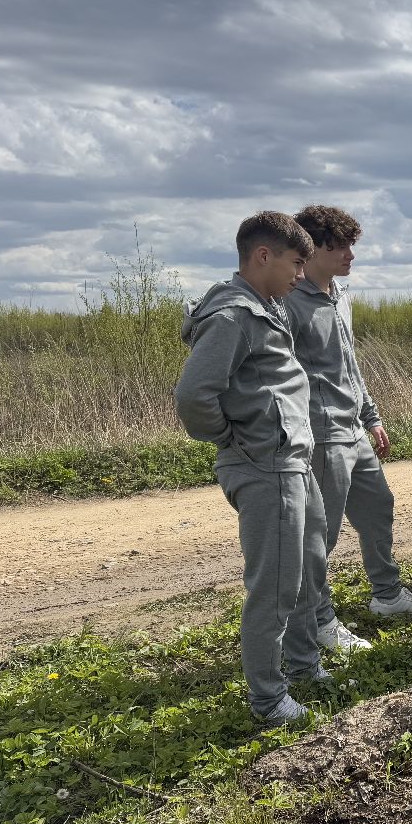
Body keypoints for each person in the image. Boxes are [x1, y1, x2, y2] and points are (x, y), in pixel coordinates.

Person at [175, 211, 327, 725]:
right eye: (296, 261)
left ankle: (306, 666)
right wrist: (235, 438)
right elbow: (195, 395)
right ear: (263, 255)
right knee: (277, 585)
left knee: (308, 570)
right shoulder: (233, 316)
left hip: (293, 462)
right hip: (266, 465)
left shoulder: (267, 308)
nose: (301, 274)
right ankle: (268, 699)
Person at [286, 206, 412, 655]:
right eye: (341, 246)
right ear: (312, 248)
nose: (351, 254)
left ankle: (387, 595)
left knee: (378, 508)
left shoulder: (339, 296)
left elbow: (349, 364)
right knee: (320, 535)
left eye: (352, 244)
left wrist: (372, 415)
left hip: (354, 428)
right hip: (321, 435)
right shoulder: (290, 302)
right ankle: (319, 621)